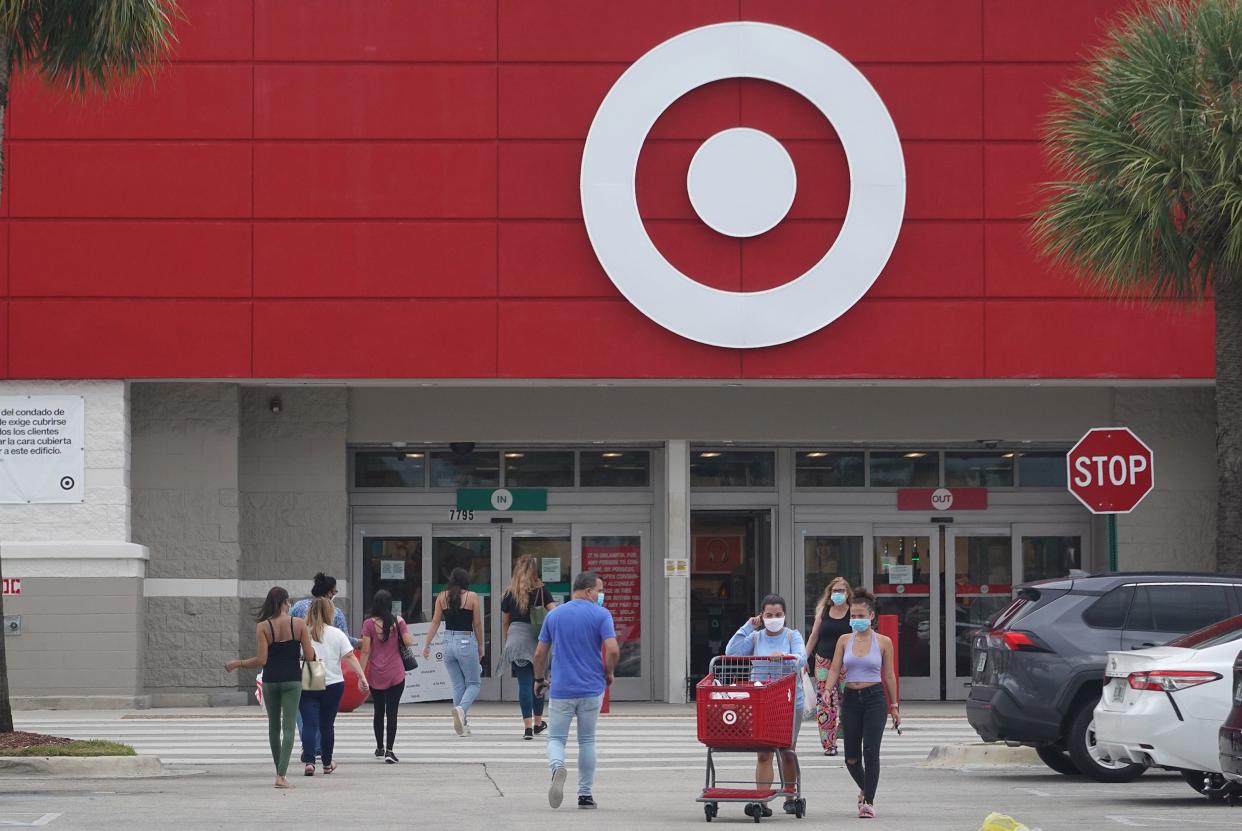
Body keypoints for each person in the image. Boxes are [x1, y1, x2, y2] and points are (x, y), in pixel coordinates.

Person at [533, 572, 618, 810]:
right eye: (599, 590)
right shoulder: (601, 614)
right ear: (589, 591)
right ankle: (585, 795)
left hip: (562, 689)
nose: (601, 595)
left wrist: (539, 679)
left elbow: (539, 654)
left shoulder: (555, 615)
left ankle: (557, 766)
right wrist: (608, 672)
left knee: (557, 738)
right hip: (591, 688)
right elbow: (612, 649)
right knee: (587, 740)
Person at [225, 586, 315, 789]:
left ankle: (278, 772)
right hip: (292, 680)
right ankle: (281, 776)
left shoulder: (263, 626)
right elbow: (309, 657)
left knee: (274, 727)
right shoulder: (299, 624)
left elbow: (261, 659)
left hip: (271, 680)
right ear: (285, 602)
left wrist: (238, 663)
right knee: (289, 726)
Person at [726, 593, 807, 817]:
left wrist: (785, 656)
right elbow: (731, 652)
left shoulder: (792, 635)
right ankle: (761, 800)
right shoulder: (755, 637)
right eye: (769, 615)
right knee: (763, 753)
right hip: (763, 700)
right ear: (761, 615)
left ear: (785, 615)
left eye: (778, 615)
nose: (774, 618)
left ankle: (790, 795)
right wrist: (747, 627)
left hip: (790, 699)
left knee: (787, 750)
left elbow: (802, 657)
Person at [823, 588, 900, 819]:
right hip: (851, 700)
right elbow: (835, 667)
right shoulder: (844, 640)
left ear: (871, 616)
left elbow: (888, 675)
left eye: (860, 616)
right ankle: (865, 788)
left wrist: (894, 705)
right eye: (853, 617)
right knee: (851, 757)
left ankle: (868, 801)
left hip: (875, 698)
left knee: (871, 751)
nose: (856, 620)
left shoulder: (884, 642)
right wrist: (827, 689)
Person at [289, 572, 356, 759]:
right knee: (325, 716)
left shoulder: (298, 607)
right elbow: (345, 639)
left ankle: (309, 747)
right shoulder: (336, 612)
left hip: (307, 665)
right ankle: (320, 749)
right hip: (328, 669)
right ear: (328, 593)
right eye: (334, 591)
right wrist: (361, 642)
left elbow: (289, 630)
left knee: (305, 712)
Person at [299, 597, 368, 776]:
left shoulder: (303, 632)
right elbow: (350, 657)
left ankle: (309, 762)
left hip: (312, 674)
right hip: (333, 681)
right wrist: (362, 677)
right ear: (330, 612)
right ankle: (327, 764)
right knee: (327, 725)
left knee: (309, 723)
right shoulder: (337, 633)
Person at [500, 554, 557, 739]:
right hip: (537, 638)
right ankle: (538, 723)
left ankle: (527, 729)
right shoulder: (541, 590)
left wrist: (508, 640)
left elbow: (505, 622)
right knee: (538, 681)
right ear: (535, 570)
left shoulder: (510, 592)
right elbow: (555, 612)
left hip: (515, 638)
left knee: (524, 683)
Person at [422, 567, 484, 736]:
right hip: (466, 640)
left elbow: (435, 622)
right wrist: (480, 645)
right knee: (474, 683)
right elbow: (477, 624)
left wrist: (426, 644)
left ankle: (462, 725)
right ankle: (462, 710)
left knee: (457, 684)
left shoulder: (442, 597)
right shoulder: (471, 597)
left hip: (447, 642)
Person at [360, 589, 414, 763]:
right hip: (396, 673)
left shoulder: (368, 624)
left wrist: (361, 674)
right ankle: (390, 751)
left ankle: (379, 747)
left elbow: (366, 650)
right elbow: (408, 642)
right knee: (392, 712)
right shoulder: (399, 621)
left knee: (378, 711)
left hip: (376, 673)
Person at [804, 576, 853, 756]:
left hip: (847, 663)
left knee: (849, 701)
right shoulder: (823, 611)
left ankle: (845, 735)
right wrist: (804, 659)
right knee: (825, 704)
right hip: (824, 661)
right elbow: (814, 637)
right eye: (834, 591)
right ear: (829, 593)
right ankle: (829, 744)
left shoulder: (852, 613)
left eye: (841, 590)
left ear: (848, 594)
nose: (838, 594)